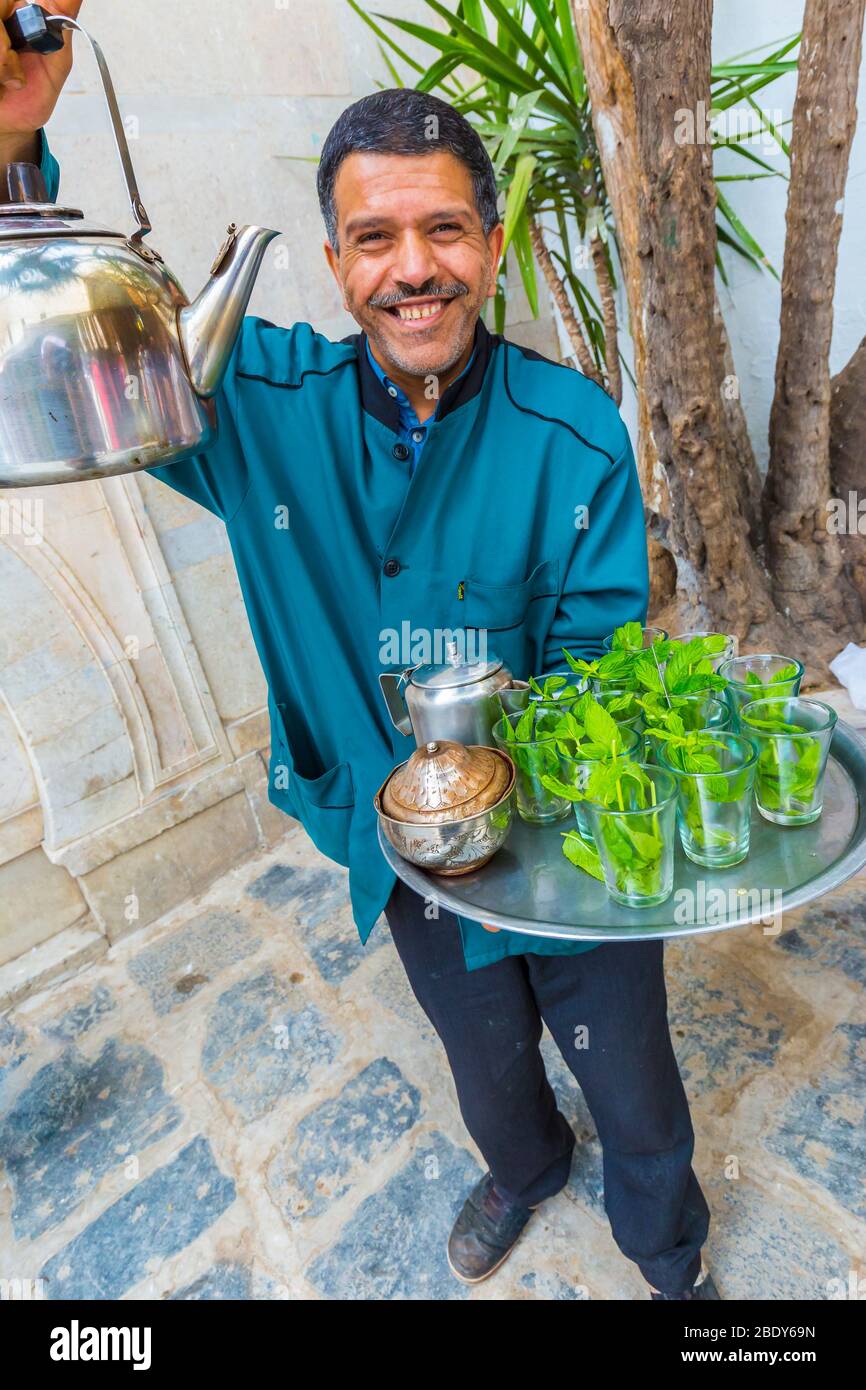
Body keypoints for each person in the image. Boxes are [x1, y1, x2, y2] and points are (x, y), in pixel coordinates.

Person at [0, 0, 718, 1299]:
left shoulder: (571, 432)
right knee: (484, 1063)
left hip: (570, 846)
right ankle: (526, 1170)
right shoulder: (254, 407)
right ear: (334, 264)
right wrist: (15, 143)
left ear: (490, 248)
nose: (413, 267)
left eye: (444, 228)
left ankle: (667, 1258)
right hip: (399, 859)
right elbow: (64, 330)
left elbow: (598, 664)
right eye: (374, 237)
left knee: (635, 1075)